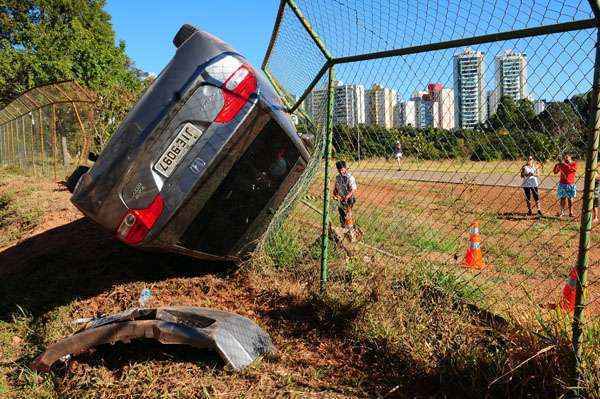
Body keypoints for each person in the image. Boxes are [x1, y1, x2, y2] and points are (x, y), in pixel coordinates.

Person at [333, 160, 357, 229]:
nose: (341, 172)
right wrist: (335, 192)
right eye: (339, 170)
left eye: (342, 170)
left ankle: (350, 228)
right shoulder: (338, 177)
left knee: (348, 214)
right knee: (341, 214)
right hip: (341, 198)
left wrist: (347, 197)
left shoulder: (350, 178)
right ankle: (343, 227)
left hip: (349, 199)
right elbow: (336, 188)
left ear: (346, 168)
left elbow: (353, 189)